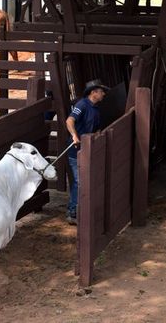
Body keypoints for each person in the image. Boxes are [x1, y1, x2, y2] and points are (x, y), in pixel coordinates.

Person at [65, 79, 108, 225]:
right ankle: (72, 212)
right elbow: (69, 121)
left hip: (87, 148)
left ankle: (81, 210)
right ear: (93, 92)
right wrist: (74, 135)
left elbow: (95, 129)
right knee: (79, 181)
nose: (103, 94)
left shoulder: (96, 109)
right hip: (75, 149)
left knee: (85, 180)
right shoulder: (82, 105)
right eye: (101, 91)